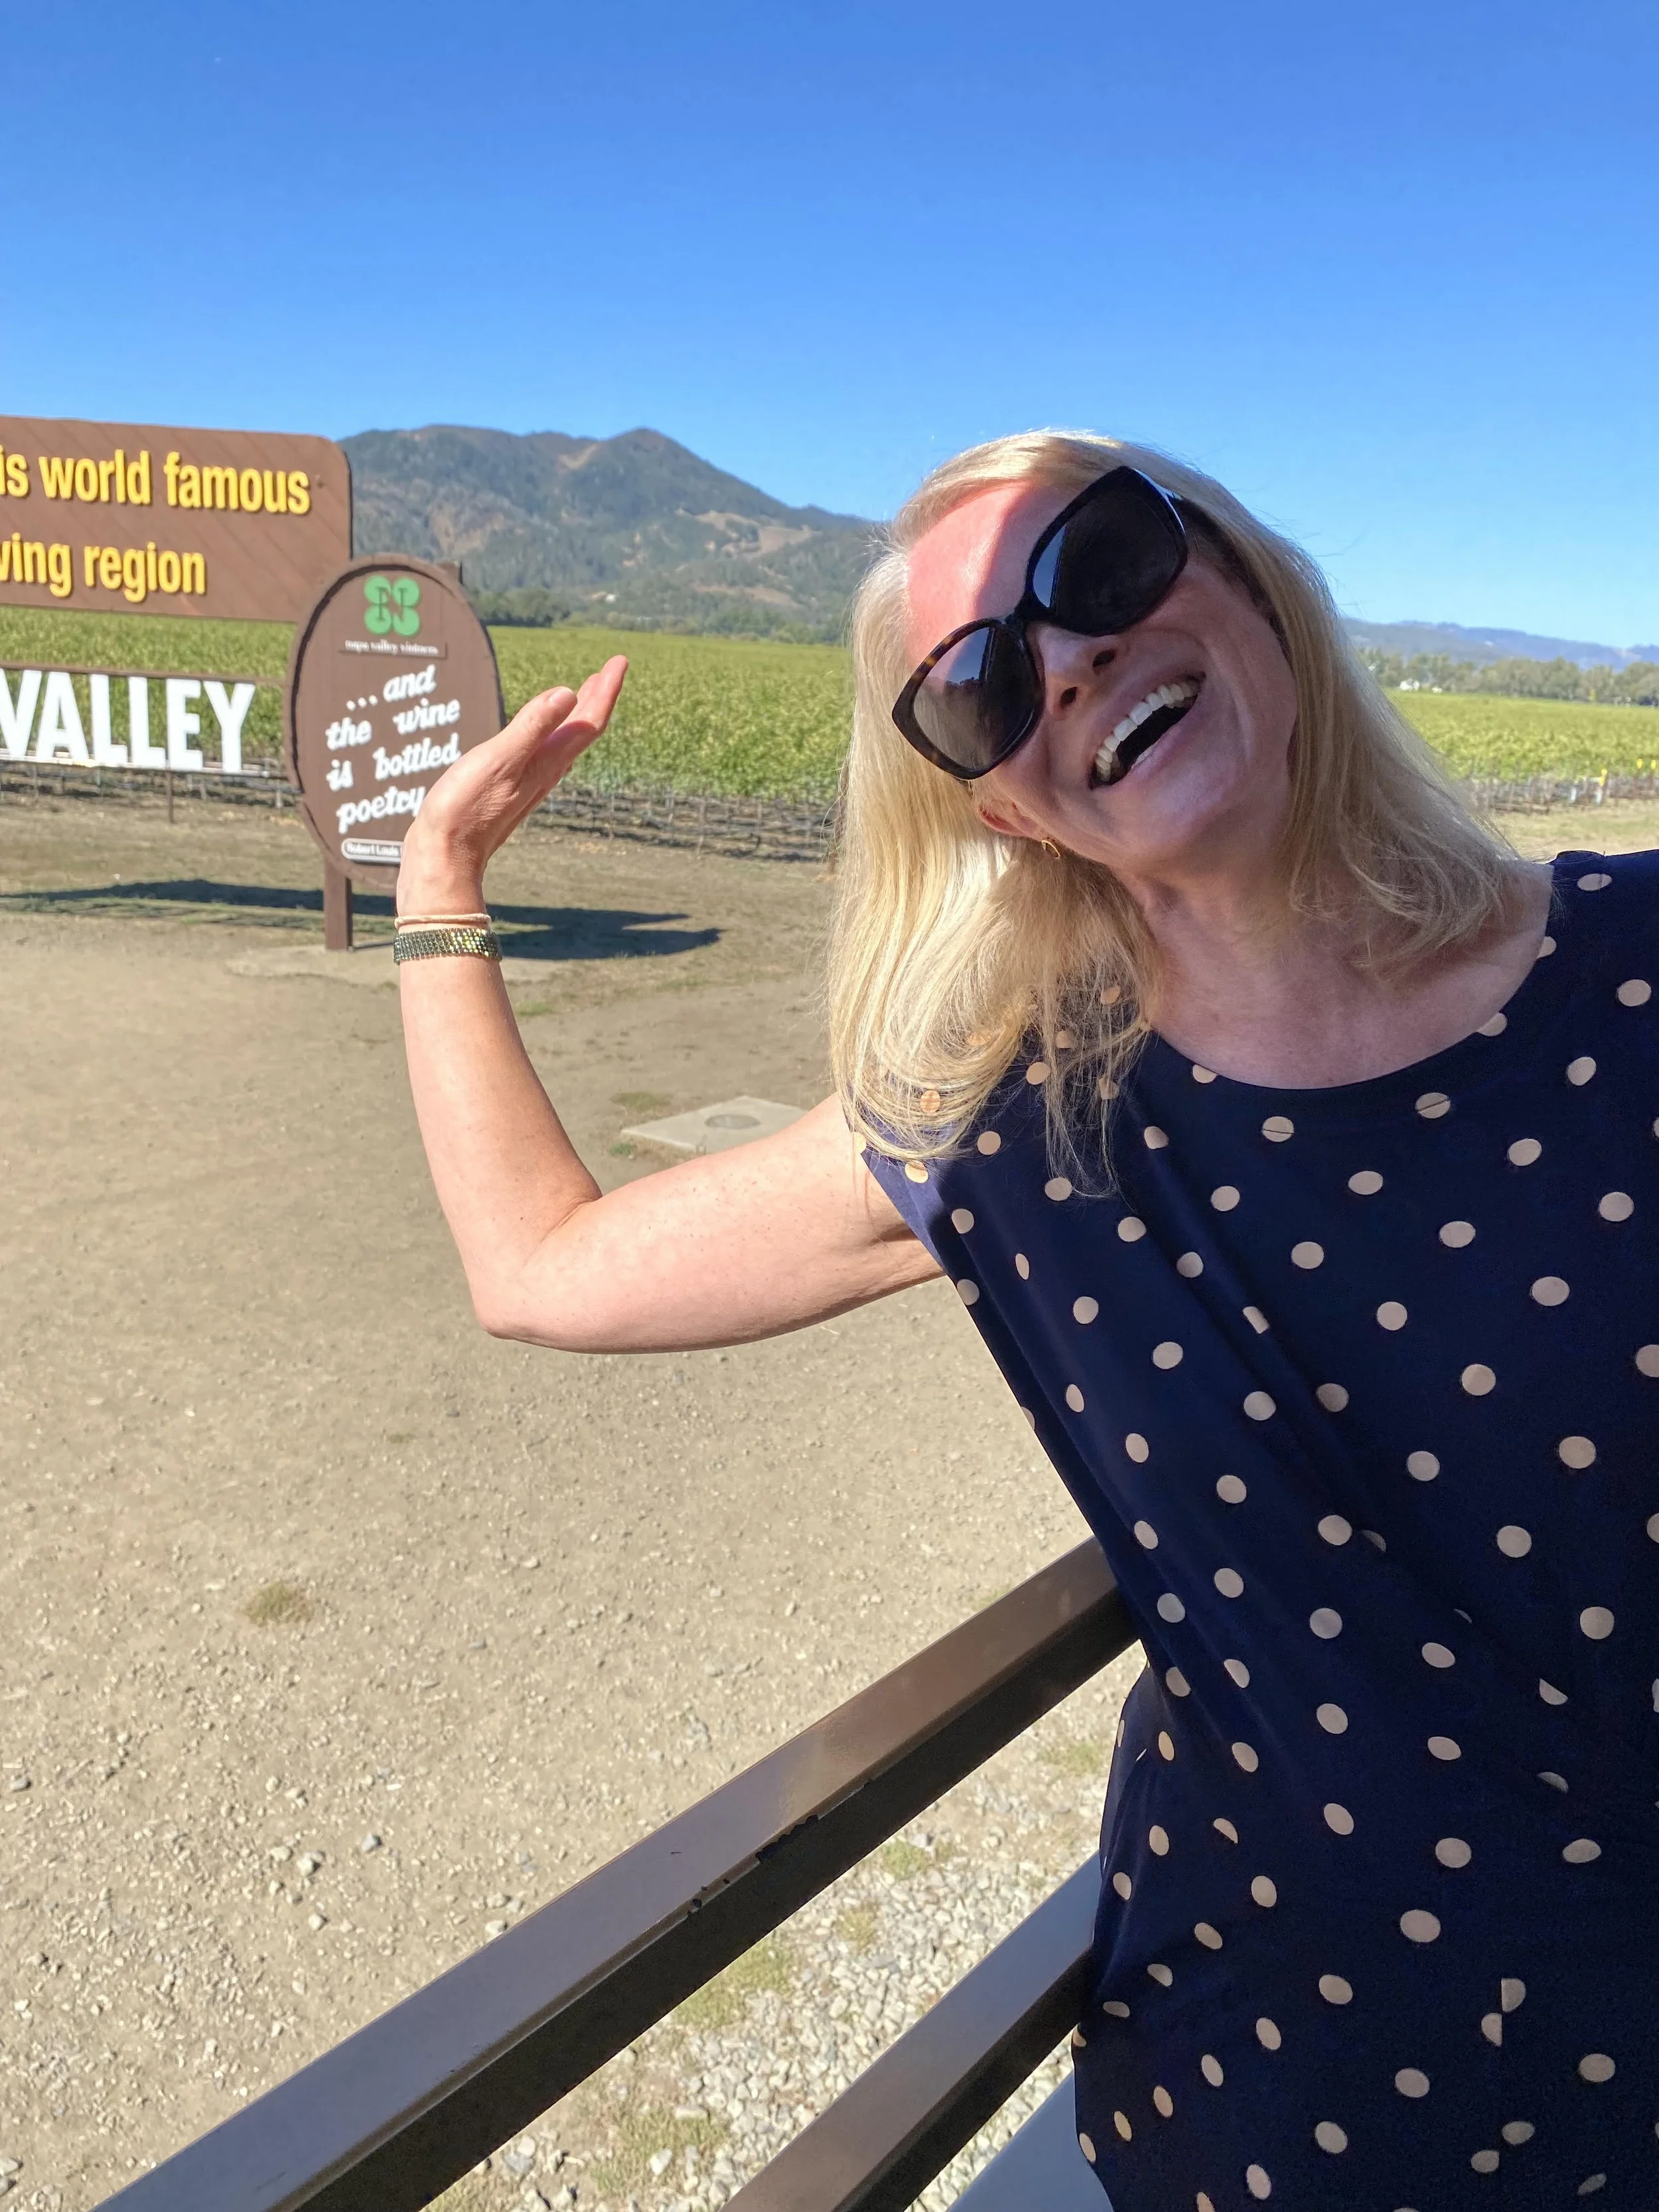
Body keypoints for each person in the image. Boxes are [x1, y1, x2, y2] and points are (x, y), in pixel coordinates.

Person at [395, 431, 1659, 2209]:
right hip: (1273, 2109)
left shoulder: (1634, 973)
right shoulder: (1012, 1131)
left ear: (1245, 583)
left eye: (1104, 564)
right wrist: (438, 890)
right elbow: (539, 1261)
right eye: (979, 685)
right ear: (1001, 803)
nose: (1061, 657)